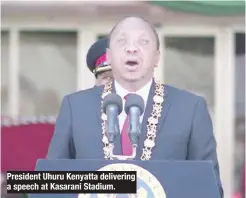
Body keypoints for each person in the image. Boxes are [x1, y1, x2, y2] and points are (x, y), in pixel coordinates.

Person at [47, 16, 223, 197]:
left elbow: (210, 189)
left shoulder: (190, 109)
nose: (132, 48)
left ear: (157, 57)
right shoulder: (75, 107)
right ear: (109, 55)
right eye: (122, 41)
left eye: (143, 41)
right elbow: (49, 184)